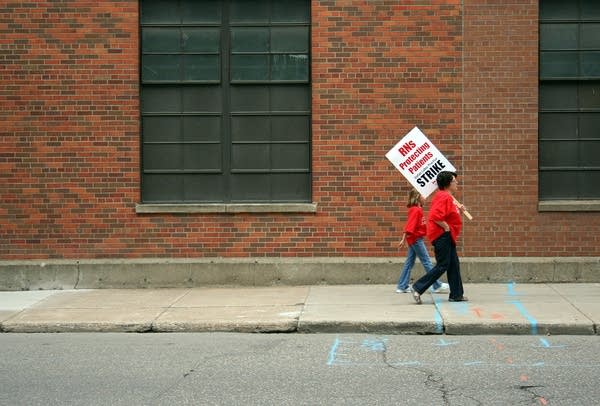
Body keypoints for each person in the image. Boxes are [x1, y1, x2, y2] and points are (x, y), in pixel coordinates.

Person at [412, 171, 468, 304]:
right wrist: (446, 227)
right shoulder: (444, 196)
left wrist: (458, 209)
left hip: (447, 236)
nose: (457, 183)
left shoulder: (446, 197)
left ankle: (456, 294)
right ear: (448, 183)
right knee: (443, 265)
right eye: (454, 181)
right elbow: (435, 216)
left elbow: (448, 213)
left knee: (453, 264)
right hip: (443, 236)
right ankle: (418, 288)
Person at [396, 188, 449, 294]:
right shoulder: (416, 210)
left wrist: (404, 239)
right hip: (416, 239)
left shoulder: (415, 209)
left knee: (409, 263)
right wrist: (404, 239)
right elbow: (410, 226)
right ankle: (436, 285)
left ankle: (402, 286)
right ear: (418, 197)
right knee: (426, 261)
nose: (425, 198)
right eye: (423, 196)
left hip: (414, 239)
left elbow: (408, 225)